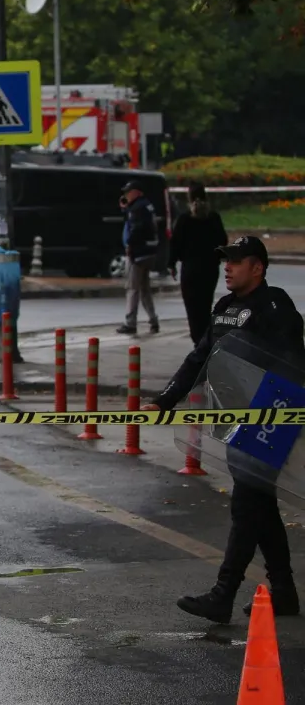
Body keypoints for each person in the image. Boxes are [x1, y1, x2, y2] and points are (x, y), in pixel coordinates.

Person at [143, 236, 303, 623]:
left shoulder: (275, 305)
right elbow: (201, 358)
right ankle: (283, 591)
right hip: (235, 420)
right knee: (260, 505)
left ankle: (223, 594)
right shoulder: (224, 308)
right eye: (225, 261)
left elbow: (291, 364)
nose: (226, 268)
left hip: (269, 418)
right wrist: (164, 400)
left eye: (235, 261)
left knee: (247, 507)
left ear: (257, 268)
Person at [169, 183, 228, 345]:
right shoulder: (213, 218)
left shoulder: (184, 219)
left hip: (191, 270)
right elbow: (223, 241)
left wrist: (171, 264)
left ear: (189, 198)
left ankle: (198, 341)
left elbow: (175, 244)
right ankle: (206, 338)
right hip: (210, 269)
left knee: (192, 309)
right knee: (205, 306)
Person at [117, 180, 160, 335]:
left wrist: (130, 245)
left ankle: (130, 323)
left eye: (129, 192)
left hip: (139, 253)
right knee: (144, 289)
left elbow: (136, 228)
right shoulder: (147, 205)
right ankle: (153, 320)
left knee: (133, 289)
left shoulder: (137, 208)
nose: (126, 195)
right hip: (150, 252)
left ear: (137, 192)